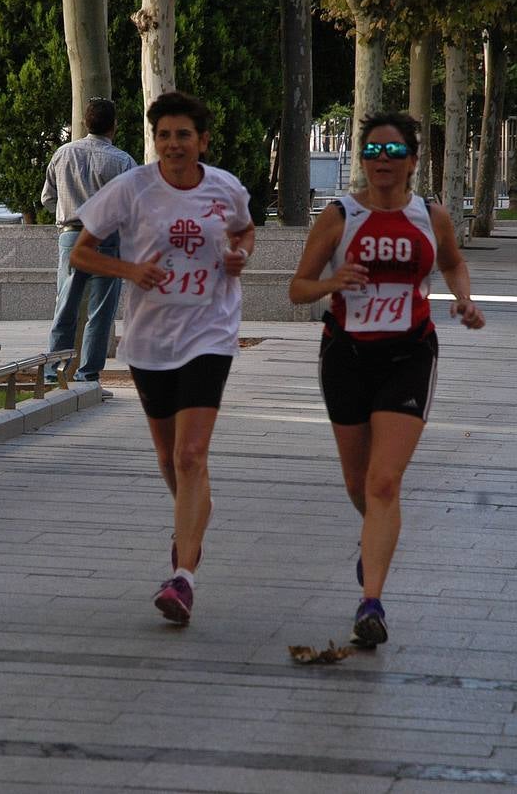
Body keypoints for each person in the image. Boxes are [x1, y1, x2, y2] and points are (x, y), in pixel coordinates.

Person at [288, 112, 485, 646]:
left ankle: (371, 602)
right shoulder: (338, 216)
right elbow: (298, 289)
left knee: (383, 481)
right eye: (372, 151)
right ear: (362, 160)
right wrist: (334, 279)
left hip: (409, 353)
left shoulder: (431, 215)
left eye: (394, 153)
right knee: (359, 483)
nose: (382, 161)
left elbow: (452, 263)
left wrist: (464, 299)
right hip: (346, 354)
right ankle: (375, 535)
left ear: (413, 162)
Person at [68, 91, 255, 625]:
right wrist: (132, 272)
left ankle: (183, 576)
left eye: (183, 135)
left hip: (211, 331)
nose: (172, 145)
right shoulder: (132, 188)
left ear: (203, 141)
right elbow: (82, 251)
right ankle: (191, 520)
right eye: (163, 135)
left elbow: (245, 229)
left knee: (191, 455)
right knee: (171, 459)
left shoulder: (225, 188)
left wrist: (240, 256)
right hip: (151, 340)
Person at [41, 98, 137, 388]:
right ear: (114, 125)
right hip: (107, 241)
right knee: (101, 312)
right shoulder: (122, 161)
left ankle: (52, 374)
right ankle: (88, 376)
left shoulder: (62, 154)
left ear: (85, 123)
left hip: (70, 238)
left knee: (65, 308)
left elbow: (47, 199)